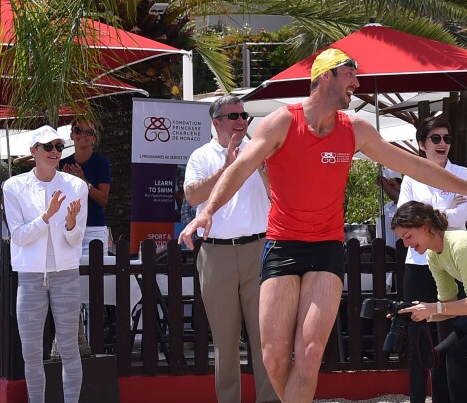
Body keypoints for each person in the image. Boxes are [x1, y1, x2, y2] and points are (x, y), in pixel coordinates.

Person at [179, 48, 467, 403]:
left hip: (327, 248)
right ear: (326, 76)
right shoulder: (282, 121)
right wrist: (207, 212)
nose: (357, 84)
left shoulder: (355, 129)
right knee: (273, 356)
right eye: (350, 76)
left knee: (311, 349)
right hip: (283, 245)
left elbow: (415, 166)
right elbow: (239, 168)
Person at [183, 95, 278, 403]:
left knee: (266, 338)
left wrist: (260, 165)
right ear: (216, 123)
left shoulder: (261, 151)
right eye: (233, 115)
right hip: (216, 254)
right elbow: (193, 197)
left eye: (243, 114)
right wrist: (226, 166)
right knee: (225, 343)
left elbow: (278, 196)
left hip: (258, 250)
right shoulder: (201, 155)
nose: (241, 120)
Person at [3, 125, 87, 403]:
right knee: (30, 350)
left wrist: (71, 222)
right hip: (30, 276)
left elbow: (75, 240)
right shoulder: (14, 186)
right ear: (33, 151)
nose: (54, 152)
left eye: (59, 146)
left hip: (65, 273)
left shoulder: (75, 185)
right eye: (48, 146)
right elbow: (18, 236)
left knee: (69, 347)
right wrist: (47, 216)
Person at [396, 116, 467, 403]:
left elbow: (459, 219)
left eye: (447, 138)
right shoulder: (411, 177)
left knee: (451, 337)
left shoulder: (462, 173)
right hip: (418, 264)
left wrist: (432, 215)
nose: (442, 144)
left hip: (454, 262)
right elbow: (405, 219)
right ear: (421, 144)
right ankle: (416, 399)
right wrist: (449, 209)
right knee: (418, 339)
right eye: (435, 138)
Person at [393, 201, 467, 403]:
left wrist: (433, 308)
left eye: (408, 236)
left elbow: (446, 306)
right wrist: (415, 315)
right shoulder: (434, 256)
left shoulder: (460, 245)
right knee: (439, 357)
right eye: (402, 239)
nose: (406, 244)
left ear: (425, 227)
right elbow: (450, 306)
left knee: (457, 357)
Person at [60, 117, 111, 255]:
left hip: (94, 228)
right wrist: (66, 183)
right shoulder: (62, 163)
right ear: (72, 135)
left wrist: (83, 181)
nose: (83, 135)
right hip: (67, 227)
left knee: (95, 274)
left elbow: (103, 200)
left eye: (88, 132)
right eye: (78, 130)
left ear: (94, 137)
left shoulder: (101, 163)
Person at [375, 168, 402, 249]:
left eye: (393, 185)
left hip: (401, 253)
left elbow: (400, 198)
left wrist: (385, 185)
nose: (389, 189)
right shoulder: (386, 208)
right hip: (386, 254)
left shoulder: (406, 204)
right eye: (388, 186)